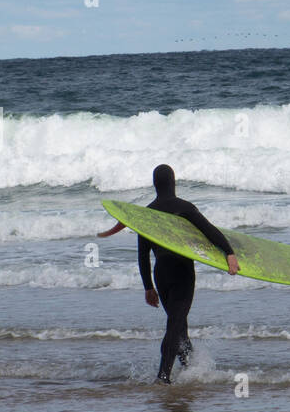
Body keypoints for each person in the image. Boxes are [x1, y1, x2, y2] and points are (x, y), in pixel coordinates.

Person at [99, 164, 239, 382]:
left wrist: (148, 287)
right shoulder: (184, 207)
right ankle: (163, 376)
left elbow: (143, 254)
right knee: (175, 323)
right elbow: (209, 231)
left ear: (155, 185)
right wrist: (229, 253)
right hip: (182, 271)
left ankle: (189, 368)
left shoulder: (145, 215)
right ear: (174, 183)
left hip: (160, 274)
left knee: (179, 326)